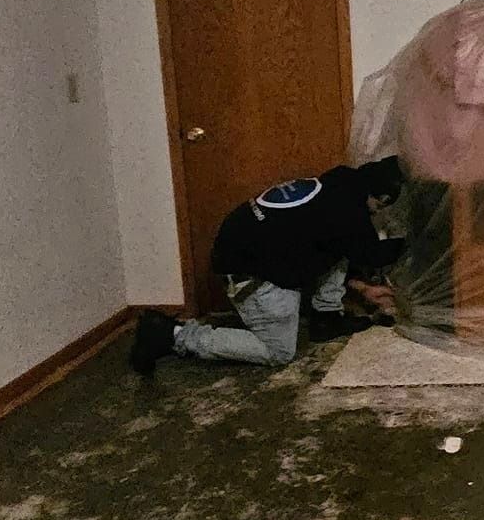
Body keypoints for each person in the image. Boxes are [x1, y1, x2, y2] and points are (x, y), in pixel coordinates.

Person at [130, 157, 405, 375]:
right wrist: (418, 242)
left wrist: (359, 285)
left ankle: (327, 318)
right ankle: (173, 334)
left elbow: (343, 245)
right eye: (380, 208)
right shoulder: (350, 213)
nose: (376, 214)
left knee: (339, 247)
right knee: (277, 352)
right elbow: (373, 254)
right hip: (250, 274)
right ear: (381, 198)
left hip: (245, 249)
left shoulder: (341, 181)